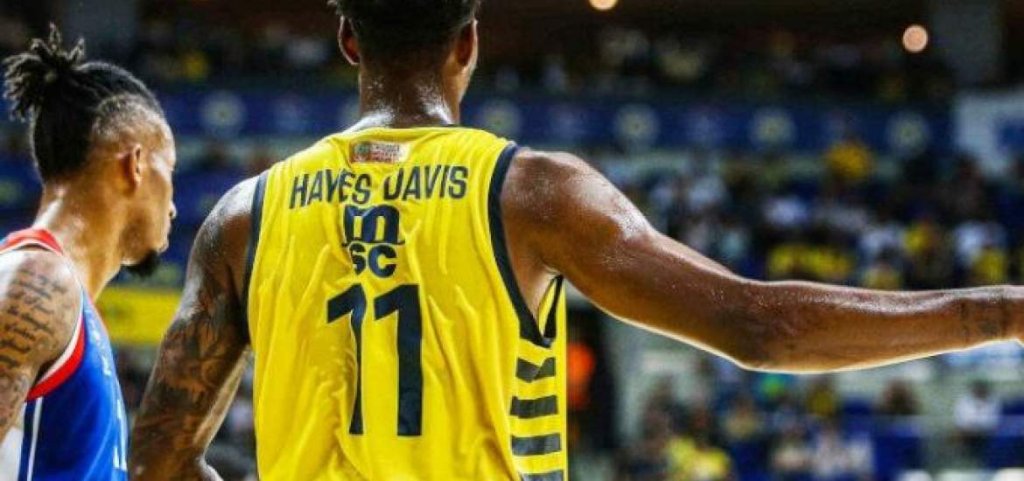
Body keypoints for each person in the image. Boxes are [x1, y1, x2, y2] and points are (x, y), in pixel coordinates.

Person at [129, 1, 1023, 480]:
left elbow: (159, 461)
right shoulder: (532, 193)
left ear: (347, 40)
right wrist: (993, 311)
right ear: (469, 42)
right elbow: (760, 326)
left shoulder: (246, 213)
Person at [0, 27, 177, 480]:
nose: (174, 206)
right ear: (135, 164)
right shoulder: (37, 279)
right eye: (170, 171)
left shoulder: (70, 304)